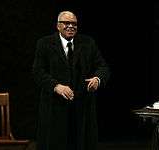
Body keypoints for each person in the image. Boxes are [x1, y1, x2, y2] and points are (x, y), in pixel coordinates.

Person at [32, 10, 110, 150]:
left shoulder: (88, 43)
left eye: (74, 23)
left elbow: (103, 67)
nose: (71, 26)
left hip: (82, 108)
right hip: (55, 109)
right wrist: (56, 86)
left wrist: (98, 79)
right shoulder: (44, 43)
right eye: (66, 23)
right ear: (58, 26)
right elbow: (38, 72)